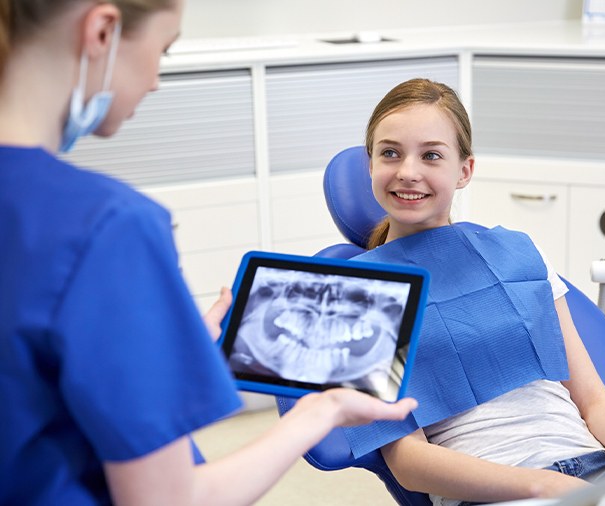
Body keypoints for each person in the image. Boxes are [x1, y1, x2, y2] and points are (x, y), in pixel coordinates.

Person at [0, 1, 418, 504]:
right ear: (103, 30)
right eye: (163, 49)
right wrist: (319, 414)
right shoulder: (107, 225)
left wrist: (151, 356)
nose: (155, 79)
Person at [340, 78, 605, 506]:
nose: (407, 171)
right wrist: (547, 486)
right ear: (371, 165)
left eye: (431, 155)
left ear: (464, 170)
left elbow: (594, 402)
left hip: (596, 470)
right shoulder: (354, 295)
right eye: (390, 153)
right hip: (502, 492)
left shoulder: (520, 254)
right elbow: (407, 460)